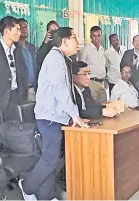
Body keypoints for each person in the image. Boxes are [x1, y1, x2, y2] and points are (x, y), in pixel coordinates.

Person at [18, 27, 89, 201]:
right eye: (74, 37)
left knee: (52, 157)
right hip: (49, 117)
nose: (77, 41)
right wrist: (75, 115)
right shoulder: (55, 59)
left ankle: (46, 196)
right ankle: (27, 186)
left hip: (56, 116)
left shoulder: (61, 58)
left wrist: (72, 114)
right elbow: (60, 90)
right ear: (64, 40)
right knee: (50, 158)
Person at [0, 16, 27, 122]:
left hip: (15, 99)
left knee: (13, 133)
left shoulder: (18, 50)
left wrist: (22, 93)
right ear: (7, 31)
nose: (20, 33)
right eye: (17, 29)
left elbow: (22, 74)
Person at [79, 26, 107, 103]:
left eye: (98, 35)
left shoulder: (103, 49)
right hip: (91, 82)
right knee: (93, 107)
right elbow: (81, 67)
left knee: (103, 106)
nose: (96, 38)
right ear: (91, 37)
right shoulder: (86, 49)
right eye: (94, 36)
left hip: (102, 83)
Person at [17, 18, 37, 102]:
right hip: (21, 90)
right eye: (21, 27)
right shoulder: (14, 49)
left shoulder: (31, 47)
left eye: (26, 27)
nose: (24, 29)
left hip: (34, 88)